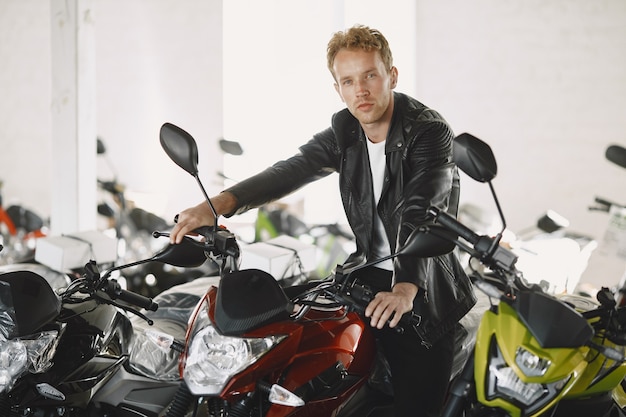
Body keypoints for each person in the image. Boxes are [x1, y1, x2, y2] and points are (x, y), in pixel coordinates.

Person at [169, 24, 476, 417]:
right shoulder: (345, 129)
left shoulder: (428, 132)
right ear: (338, 88)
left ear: (391, 76)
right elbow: (292, 169)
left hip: (425, 287)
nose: (360, 90)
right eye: (348, 81)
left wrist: (405, 287)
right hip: (363, 275)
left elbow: (421, 210)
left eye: (370, 75)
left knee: (418, 407)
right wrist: (214, 205)